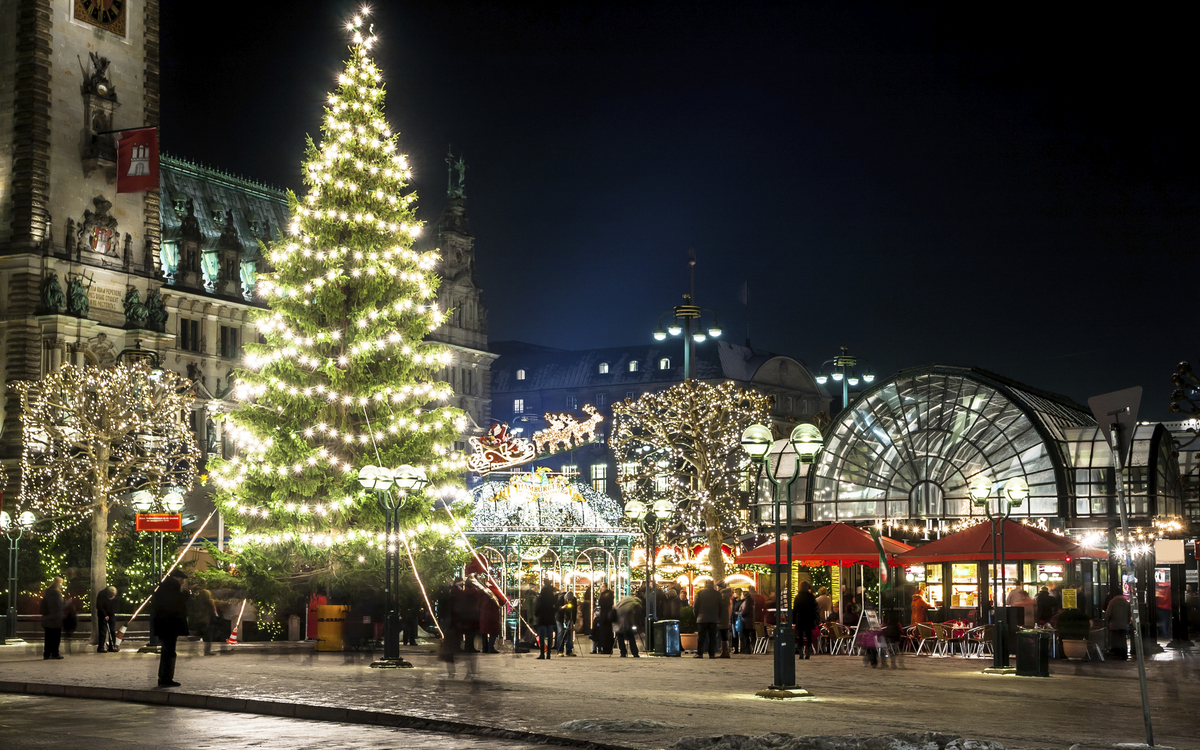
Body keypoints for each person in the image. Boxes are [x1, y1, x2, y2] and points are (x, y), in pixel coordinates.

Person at [151, 570, 191, 687]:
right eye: (182, 581)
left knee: (167, 651)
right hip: (169, 625)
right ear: (176, 578)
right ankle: (166, 678)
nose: (183, 583)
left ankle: (164, 677)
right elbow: (176, 603)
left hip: (164, 625)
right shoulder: (171, 587)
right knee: (169, 652)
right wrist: (186, 594)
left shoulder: (164, 587)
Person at [692, 579, 720, 658]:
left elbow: (695, 606)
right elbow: (720, 606)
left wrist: (697, 615)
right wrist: (718, 616)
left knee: (701, 637)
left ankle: (700, 653)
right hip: (713, 618)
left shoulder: (700, 593)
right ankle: (711, 654)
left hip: (702, 618)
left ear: (705, 584)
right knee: (712, 637)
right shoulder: (717, 594)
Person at [40, 578, 65, 660]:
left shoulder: (47, 593)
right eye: (61, 583)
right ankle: (55, 653)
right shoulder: (56, 594)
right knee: (56, 637)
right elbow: (59, 606)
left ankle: (46, 654)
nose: (62, 585)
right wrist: (67, 603)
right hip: (55, 619)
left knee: (48, 637)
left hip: (47, 618)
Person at [793, 581, 819, 659]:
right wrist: (815, 618)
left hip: (800, 618)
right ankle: (808, 652)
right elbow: (815, 608)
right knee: (809, 635)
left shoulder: (798, 597)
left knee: (800, 636)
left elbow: (795, 609)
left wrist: (793, 620)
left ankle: (801, 653)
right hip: (809, 618)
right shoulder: (811, 597)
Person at [534, 582, 557, 660]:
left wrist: (536, 614)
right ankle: (549, 654)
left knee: (542, 636)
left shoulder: (541, 598)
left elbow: (537, 608)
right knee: (550, 637)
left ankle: (542, 654)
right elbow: (555, 608)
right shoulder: (552, 599)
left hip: (542, 619)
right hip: (550, 619)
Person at [1106, 592, 1132, 660]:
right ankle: (1124, 654)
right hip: (1123, 625)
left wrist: (1109, 619)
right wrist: (1127, 620)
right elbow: (1129, 614)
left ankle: (1117, 654)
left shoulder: (1112, 602)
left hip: (1114, 625)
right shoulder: (1126, 603)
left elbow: (1108, 614)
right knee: (1123, 639)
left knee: (1115, 640)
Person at [95, 586, 119, 653]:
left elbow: (115, 605)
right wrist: (105, 614)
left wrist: (111, 613)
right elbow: (99, 606)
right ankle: (100, 647)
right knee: (102, 631)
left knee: (112, 631)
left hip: (111, 614)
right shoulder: (101, 595)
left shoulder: (115, 596)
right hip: (102, 614)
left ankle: (112, 646)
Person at [557, 590, 578, 656]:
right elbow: (556, 608)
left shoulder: (574, 600)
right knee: (561, 632)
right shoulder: (560, 599)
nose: (569, 601)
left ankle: (569, 650)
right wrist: (561, 608)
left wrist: (573, 622)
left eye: (570, 600)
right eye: (568, 600)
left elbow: (574, 611)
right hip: (560, 618)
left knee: (569, 633)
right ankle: (560, 650)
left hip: (569, 618)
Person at [716, 580, 733, 658]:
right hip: (724, 617)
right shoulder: (726, 595)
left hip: (722, 617)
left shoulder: (722, 595)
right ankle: (724, 651)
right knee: (724, 634)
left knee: (723, 634)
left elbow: (721, 606)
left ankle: (724, 651)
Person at [597, 583, 615, 654]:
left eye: (603, 586)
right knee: (609, 632)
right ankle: (609, 648)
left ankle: (605, 648)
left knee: (603, 632)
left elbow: (600, 603)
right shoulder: (611, 594)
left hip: (604, 615)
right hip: (609, 615)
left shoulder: (603, 595)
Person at [738, 587, 756, 654]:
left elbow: (745, 611)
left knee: (745, 636)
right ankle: (746, 650)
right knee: (746, 636)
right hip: (749, 621)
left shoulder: (746, 602)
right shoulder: (750, 601)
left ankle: (746, 650)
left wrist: (738, 613)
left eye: (742, 595)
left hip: (745, 622)